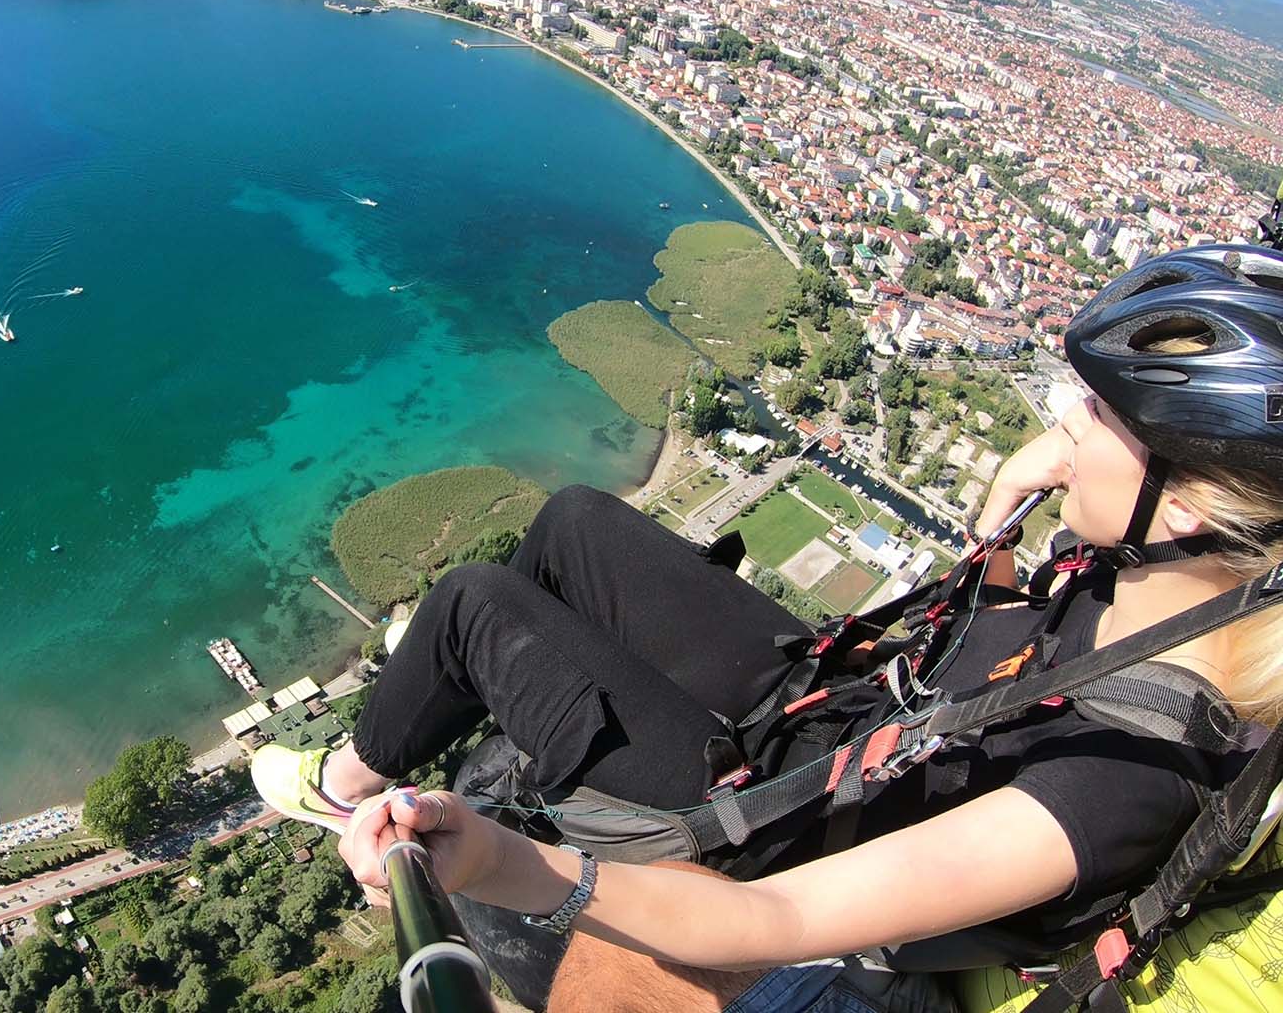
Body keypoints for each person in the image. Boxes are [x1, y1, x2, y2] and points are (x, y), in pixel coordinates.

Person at [252, 245, 1283, 1012]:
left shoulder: (1122, 782)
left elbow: (773, 922)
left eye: (1097, 413)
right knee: (572, 523)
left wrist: (494, 863)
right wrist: (1009, 498)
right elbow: (997, 633)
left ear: (1183, 504)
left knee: (481, 607)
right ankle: (425, 729)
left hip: (769, 828)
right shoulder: (1128, 594)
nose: (1064, 415)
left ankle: (344, 785)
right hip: (827, 722)